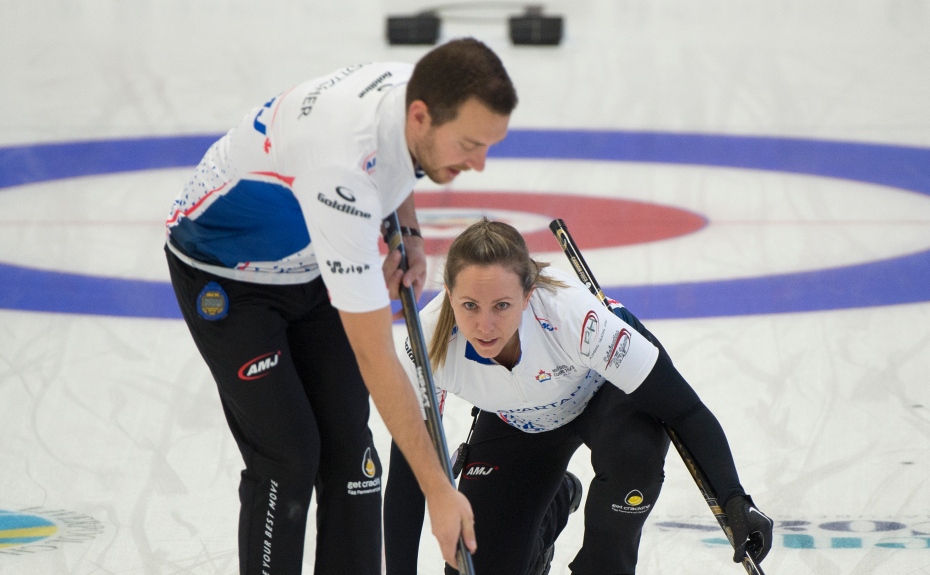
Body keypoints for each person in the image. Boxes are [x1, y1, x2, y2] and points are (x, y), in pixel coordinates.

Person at [163, 39, 516, 574]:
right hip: (226, 273)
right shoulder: (342, 171)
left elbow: (398, 166)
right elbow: (377, 359)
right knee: (288, 454)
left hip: (312, 258)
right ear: (420, 115)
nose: (480, 164)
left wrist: (412, 235)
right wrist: (439, 491)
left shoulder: (412, 93)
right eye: (470, 145)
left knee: (354, 458)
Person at [384, 219, 774, 575]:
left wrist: (736, 499)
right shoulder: (426, 346)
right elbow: (409, 470)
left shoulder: (573, 319)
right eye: (469, 306)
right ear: (449, 295)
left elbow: (684, 410)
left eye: (502, 306)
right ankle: (553, 505)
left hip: (605, 395)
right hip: (516, 419)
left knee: (634, 460)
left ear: (527, 295)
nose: (484, 326)